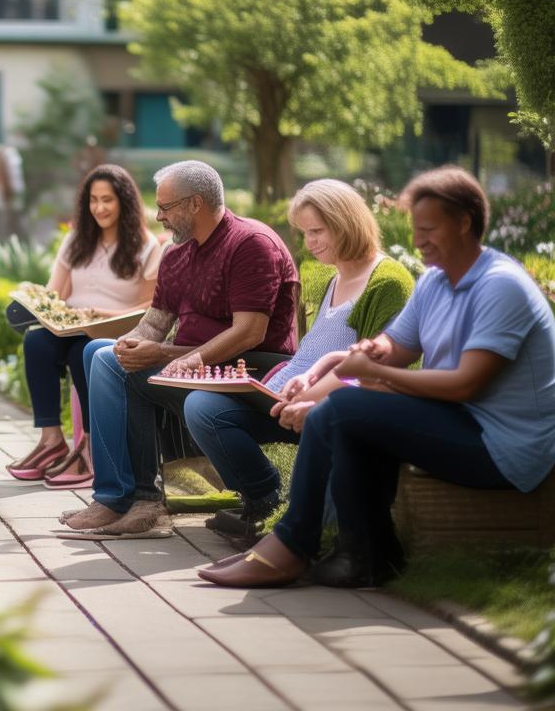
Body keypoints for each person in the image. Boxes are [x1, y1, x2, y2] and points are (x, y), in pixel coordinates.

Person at [200, 167, 555, 588]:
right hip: (463, 420)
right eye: (416, 229)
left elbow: (465, 384)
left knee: (343, 408)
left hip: (506, 446)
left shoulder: (499, 286)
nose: (418, 240)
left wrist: (373, 374)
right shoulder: (437, 281)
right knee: (344, 411)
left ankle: (293, 545)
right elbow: (392, 345)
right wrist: (335, 362)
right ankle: (365, 555)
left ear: (464, 223)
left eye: (429, 229)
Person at [61, 160, 300, 536]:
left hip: (251, 372)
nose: (158, 216)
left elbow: (249, 333)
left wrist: (169, 356)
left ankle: (127, 500)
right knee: (101, 353)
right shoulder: (176, 254)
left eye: (165, 207)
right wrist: (131, 344)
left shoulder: (250, 243)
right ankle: (130, 499)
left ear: (195, 203)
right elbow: (155, 324)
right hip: (191, 367)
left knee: (107, 362)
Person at [183, 180, 414, 538]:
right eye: (305, 233)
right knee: (202, 406)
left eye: (317, 231)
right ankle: (263, 498)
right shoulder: (329, 277)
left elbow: (377, 369)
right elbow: (313, 351)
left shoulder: (387, 282)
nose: (310, 243)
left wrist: (313, 393)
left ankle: (300, 527)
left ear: (346, 223)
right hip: (287, 393)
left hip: (330, 402)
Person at [6, 164, 162, 487]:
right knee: (36, 341)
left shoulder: (146, 246)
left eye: (107, 200)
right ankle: (51, 440)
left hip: (114, 328)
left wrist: (101, 314)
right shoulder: (77, 240)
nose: (99, 208)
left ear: (124, 201)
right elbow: (55, 293)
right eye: (93, 200)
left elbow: (150, 305)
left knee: (84, 352)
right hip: (71, 324)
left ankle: (90, 448)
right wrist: (37, 303)